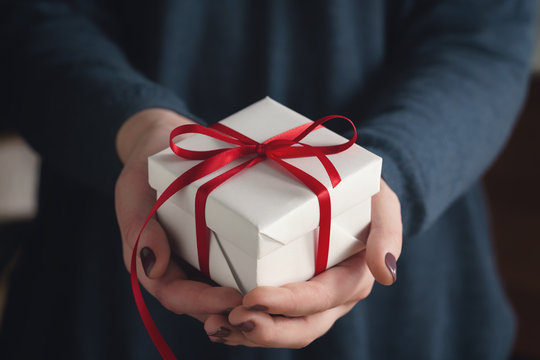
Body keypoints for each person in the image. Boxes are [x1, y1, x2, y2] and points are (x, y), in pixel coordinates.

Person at [0, 1, 534, 359]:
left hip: (405, 298)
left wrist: (386, 172)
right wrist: (140, 130)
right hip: (107, 277)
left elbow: (482, 33)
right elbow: (32, 18)